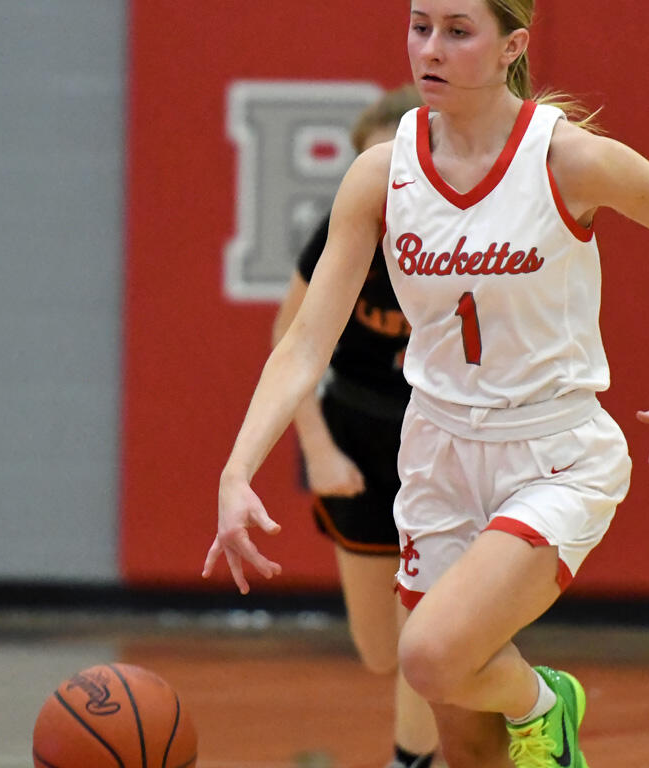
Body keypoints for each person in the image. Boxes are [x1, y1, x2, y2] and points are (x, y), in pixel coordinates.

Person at [202, 1, 649, 766]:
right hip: (437, 455)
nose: (430, 49)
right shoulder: (381, 172)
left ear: (513, 46)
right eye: (420, 26)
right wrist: (237, 470)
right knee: (468, 743)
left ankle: (545, 702)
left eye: (458, 31)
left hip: (551, 454)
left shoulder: (569, 159)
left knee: (427, 655)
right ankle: (530, 717)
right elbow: (305, 341)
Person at [270, 85, 439, 768]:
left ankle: (416, 756)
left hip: (440, 435)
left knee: (425, 634)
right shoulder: (343, 233)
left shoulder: (469, 238)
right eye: (372, 167)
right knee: (381, 652)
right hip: (358, 434)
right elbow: (289, 339)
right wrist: (317, 449)